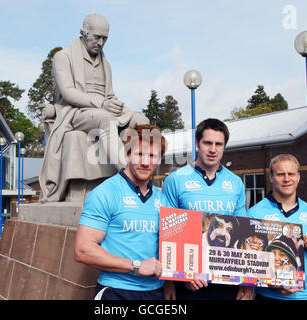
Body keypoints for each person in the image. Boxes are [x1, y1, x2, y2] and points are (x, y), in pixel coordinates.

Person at [40, 14, 148, 201]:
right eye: (97, 37)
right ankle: (132, 177)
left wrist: (115, 104)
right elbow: (68, 93)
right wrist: (102, 104)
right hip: (76, 112)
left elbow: (109, 94)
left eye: (105, 38)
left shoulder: (106, 63)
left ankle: (145, 169)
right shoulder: (63, 57)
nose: (100, 42)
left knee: (141, 120)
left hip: (103, 107)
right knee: (104, 118)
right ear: (84, 31)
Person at [161, 118, 252, 300]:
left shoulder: (235, 183)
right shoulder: (175, 180)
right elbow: (167, 232)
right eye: (207, 143)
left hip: (226, 277)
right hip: (188, 279)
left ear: (224, 146)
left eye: (218, 144)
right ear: (197, 143)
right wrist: (171, 279)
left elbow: (242, 232)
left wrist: (247, 282)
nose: (213, 149)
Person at [74, 124, 166, 300]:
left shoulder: (163, 199)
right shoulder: (105, 193)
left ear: (160, 159)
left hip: (156, 292)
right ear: (127, 155)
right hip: (116, 292)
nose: (146, 162)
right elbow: (83, 250)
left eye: (152, 156)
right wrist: (136, 266)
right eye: (139, 154)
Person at [248, 154, 307, 300]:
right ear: (271, 177)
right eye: (280, 174)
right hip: (267, 295)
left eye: (291, 174)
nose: (287, 179)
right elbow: (248, 258)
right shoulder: (255, 212)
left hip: (306, 295)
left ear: (298, 177)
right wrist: (273, 282)